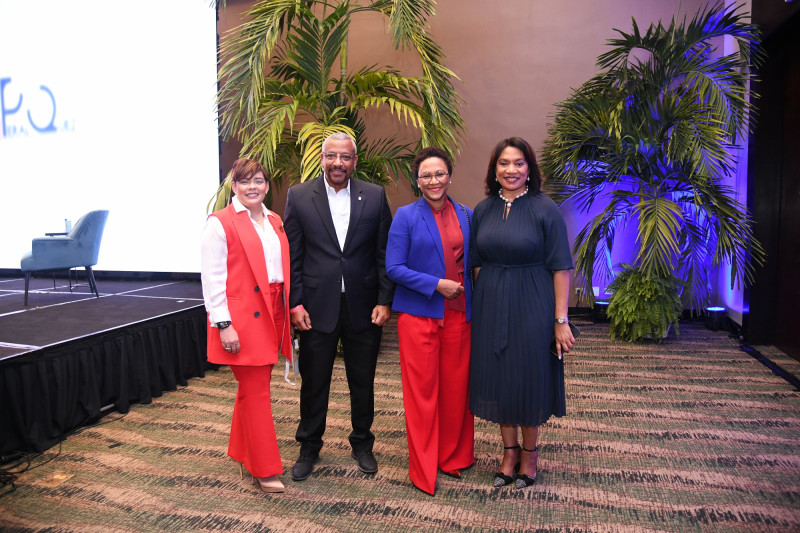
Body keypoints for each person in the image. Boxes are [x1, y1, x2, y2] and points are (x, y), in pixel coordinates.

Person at [283, 132, 394, 481]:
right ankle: (309, 446)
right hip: (315, 306)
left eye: (345, 157)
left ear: (354, 161)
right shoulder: (299, 196)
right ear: (322, 157)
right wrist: (295, 303)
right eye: (332, 156)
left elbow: (383, 252)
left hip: (364, 306)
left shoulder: (374, 196)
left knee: (363, 382)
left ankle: (362, 442)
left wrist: (384, 300)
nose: (338, 163)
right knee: (315, 382)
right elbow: (293, 256)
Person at [469, 137, 575, 489]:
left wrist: (560, 320)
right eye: (503, 163)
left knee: (528, 377)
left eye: (518, 163)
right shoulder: (483, 210)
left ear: (529, 169)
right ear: (494, 169)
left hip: (533, 301)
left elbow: (561, 267)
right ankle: (509, 452)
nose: (510, 170)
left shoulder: (546, 208)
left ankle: (530, 455)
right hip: (492, 301)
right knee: (500, 377)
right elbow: (474, 264)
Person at [386, 147, 475, 495]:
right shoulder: (406, 216)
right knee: (422, 396)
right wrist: (436, 285)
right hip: (420, 316)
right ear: (417, 180)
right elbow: (394, 268)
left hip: (459, 317)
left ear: (450, 176)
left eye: (439, 174)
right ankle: (423, 467)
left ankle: (450, 457)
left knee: (455, 393)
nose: (433, 180)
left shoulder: (467, 214)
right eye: (426, 175)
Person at [201, 158, 292, 493]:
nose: (253, 187)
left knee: (253, 387)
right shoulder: (220, 223)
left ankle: (241, 450)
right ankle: (263, 467)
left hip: (274, 310)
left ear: (267, 185)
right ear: (234, 186)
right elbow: (212, 279)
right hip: (242, 318)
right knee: (257, 391)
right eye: (245, 181)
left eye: (259, 180)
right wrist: (223, 323)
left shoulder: (274, 220)